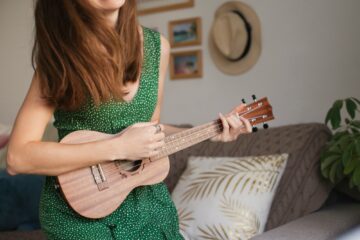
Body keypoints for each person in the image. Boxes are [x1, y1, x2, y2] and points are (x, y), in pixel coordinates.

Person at [6, 0, 252, 239]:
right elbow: (18, 157)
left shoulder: (158, 48)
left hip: (148, 207)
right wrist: (118, 147)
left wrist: (211, 131)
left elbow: (149, 133)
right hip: (80, 213)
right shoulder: (61, 57)